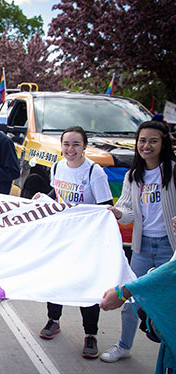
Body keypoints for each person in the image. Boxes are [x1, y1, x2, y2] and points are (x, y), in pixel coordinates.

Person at [31, 126, 113, 358]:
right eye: (66, 144)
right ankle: (53, 320)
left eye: (76, 144)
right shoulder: (57, 167)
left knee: (85, 284)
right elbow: (58, 196)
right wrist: (44, 198)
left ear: (85, 146)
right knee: (55, 279)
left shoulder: (94, 172)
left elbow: (105, 207)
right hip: (61, 236)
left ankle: (91, 335)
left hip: (86, 240)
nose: (70, 149)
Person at [104, 120, 176, 363]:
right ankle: (124, 345)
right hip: (142, 247)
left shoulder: (174, 171)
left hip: (170, 247)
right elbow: (128, 211)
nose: (146, 145)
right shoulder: (132, 176)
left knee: (168, 305)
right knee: (129, 299)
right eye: (142, 140)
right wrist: (117, 213)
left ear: (163, 143)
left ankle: (169, 351)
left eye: (153, 141)